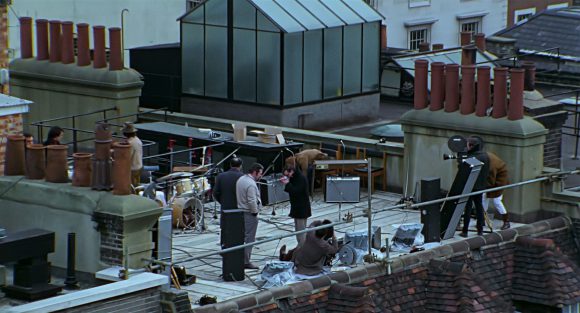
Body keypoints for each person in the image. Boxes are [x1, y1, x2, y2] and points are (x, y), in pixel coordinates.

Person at [460, 136, 490, 237]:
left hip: (470, 186)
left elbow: (464, 171)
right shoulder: (485, 156)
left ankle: (465, 231)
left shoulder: (471, 158)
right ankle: (480, 230)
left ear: (471, 145)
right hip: (480, 186)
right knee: (479, 207)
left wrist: (461, 162)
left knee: (467, 208)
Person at [236, 163, 264, 270]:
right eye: (260, 173)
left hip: (241, 211)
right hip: (249, 213)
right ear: (255, 172)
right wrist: (255, 213)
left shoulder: (241, 179)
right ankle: (246, 261)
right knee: (249, 238)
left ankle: (242, 259)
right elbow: (252, 200)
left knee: (243, 236)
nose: (261, 176)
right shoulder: (251, 184)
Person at [213, 157, 244, 244]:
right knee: (238, 228)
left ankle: (224, 246)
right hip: (239, 207)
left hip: (225, 206)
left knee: (225, 227)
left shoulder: (221, 176)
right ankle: (237, 246)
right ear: (240, 166)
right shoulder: (243, 177)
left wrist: (222, 201)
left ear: (230, 165)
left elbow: (215, 193)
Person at [280, 165, 312, 246]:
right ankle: (301, 246)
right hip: (297, 208)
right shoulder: (295, 177)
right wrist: (286, 182)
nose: (287, 177)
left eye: (287, 175)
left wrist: (287, 183)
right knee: (298, 231)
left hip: (301, 208)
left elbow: (296, 191)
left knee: (301, 231)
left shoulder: (301, 178)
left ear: (292, 171)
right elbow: (291, 189)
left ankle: (302, 249)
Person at [483, 151, 511, 230]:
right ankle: (482, 219)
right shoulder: (488, 158)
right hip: (494, 181)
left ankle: (506, 221)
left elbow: (491, 177)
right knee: (483, 199)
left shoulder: (491, 164)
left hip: (499, 182)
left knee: (497, 201)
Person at [122, 122, 143, 190]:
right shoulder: (137, 140)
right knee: (137, 185)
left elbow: (127, 157)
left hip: (132, 168)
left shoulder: (129, 143)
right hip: (139, 166)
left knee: (132, 187)